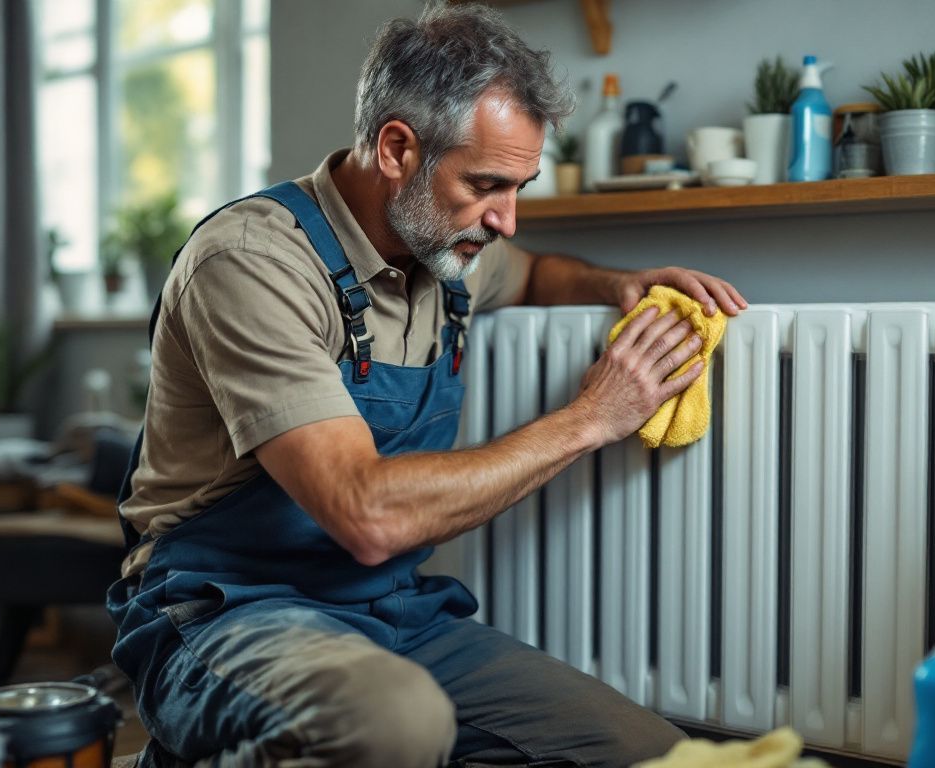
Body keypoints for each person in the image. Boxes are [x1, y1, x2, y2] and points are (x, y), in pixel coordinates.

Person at [107, 4, 748, 767]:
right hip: (222, 610)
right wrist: (592, 418)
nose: (506, 220)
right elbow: (366, 514)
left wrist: (619, 284)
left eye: (521, 187)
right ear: (397, 149)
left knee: (655, 756)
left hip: (387, 611)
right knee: (398, 726)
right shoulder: (251, 263)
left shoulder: (445, 248)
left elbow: (537, 271)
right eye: (487, 184)